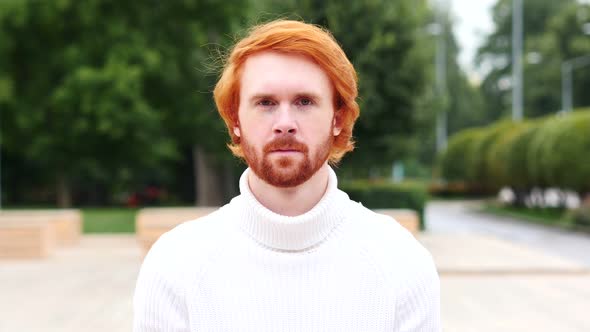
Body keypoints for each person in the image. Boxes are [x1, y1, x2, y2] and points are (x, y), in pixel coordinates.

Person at [133, 19, 441, 331]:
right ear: (235, 121)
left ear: (338, 118)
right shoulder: (175, 266)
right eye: (265, 103)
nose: (285, 123)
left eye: (304, 101)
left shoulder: (401, 263)